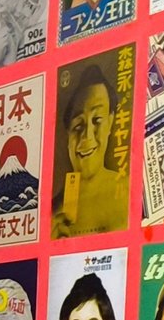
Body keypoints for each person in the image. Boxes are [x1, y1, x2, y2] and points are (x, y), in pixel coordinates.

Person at [51, 63, 128, 239]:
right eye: (78, 125)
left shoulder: (129, 191)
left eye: (97, 120)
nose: (87, 137)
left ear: (110, 121)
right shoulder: (53, 212)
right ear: (67, 134)